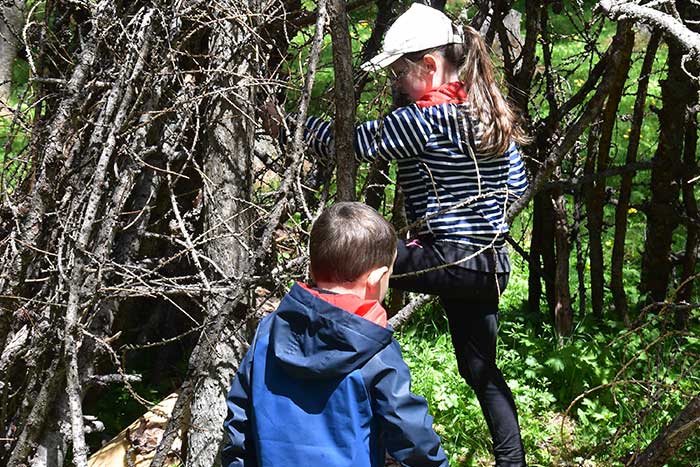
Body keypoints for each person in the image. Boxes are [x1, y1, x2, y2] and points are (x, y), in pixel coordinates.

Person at [281, 4, 530, 466]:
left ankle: (349, 414)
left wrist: (290, 123)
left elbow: (353, 143)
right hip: (491, 266)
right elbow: (514, 187)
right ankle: (512, 462)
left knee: (351, 259)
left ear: (430, 67)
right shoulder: (487, 111)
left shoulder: (427, 117)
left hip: (452, 258)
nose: (396, 84)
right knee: (479, 369)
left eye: (400, 73)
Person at [221, 202, 450, 467]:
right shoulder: (375, 349)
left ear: (312, 267)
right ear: (377, 279)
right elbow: (413, 438)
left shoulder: (269, 331)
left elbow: (240, 425)